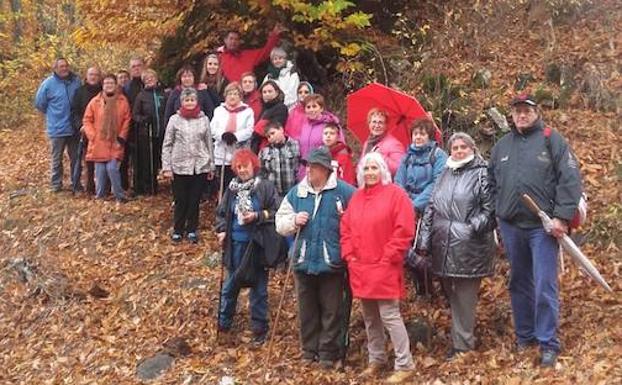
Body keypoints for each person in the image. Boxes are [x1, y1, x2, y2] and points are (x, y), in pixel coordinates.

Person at [488, 94, 582, 367]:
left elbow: (570, 179)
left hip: (543, 227)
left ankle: (548, 342)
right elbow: (491, 181)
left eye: (526, 111)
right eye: (517, 111)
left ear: (536, 112)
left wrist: (562, 218)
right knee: (519, 281)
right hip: (511, 226)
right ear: (512, 115)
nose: (521, 115)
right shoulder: (502, 146)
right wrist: (498, 211)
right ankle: (525, 335)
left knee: (544, 284)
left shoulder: (552, 140)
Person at [417, 132, 496, 359]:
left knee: (464, 298)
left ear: (472, 148)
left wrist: (470, 228)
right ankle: (460, 339)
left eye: (463, 147)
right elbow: (431, 208)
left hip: (470, 248)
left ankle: (463, 346)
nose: (459, 151)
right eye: (455, 147)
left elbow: (490, 210)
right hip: (443, 246)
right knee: (452, 296)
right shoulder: (445, 173)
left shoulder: (482, 173)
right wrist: (424, 240)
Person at [276, 147, 355, 369]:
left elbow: (359, 220)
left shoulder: (345, 192)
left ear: (325, 169)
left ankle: (329, 353)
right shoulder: (298, 192)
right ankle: (309, 350)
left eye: (313, 166)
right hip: (303, 261)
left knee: (332, 310)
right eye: (308, 166)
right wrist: (293, 221)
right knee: (307, 310)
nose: (309, 170)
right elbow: (280, 222)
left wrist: (346, 221)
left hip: (332, 262)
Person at [341, 153, 415, 384]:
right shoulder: (357, 197)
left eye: (374, 168)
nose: (370, 172)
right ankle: (377, 358)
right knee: (370, 316)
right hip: (361, 267)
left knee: (389, 315)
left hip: (385, 266)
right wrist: (350, 255)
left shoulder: (396, 195)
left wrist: (389, 256)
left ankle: (405, 363)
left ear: (382, 170)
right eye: (366, 168)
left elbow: (404, 229)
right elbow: (347, 229)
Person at [215, 148, 285, 346]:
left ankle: (259, 328)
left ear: (253, 165)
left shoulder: (265, 187)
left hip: (257, 244)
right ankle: (223, 323)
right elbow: (221, 214)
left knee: (258, 288)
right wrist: (221, 231)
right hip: (234, 243)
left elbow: (277, 210)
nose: (242, 170)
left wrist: (257, 216)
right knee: (230, 285)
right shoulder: (231, 189)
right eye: (238, 167)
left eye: (245, 166)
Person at [161, 87, 215, 243]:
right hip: (179, 165)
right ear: (182, 102)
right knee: (180, 199)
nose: (190, 103)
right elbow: (167, 144)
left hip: (200, 165)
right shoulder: (174, 119)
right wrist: (167, 167)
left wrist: (211, 165)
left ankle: (192, 228)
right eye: (187, 100)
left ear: (197, 101)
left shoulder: (203, 119)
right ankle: (178, 229)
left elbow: (208, 143)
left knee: (194, 199)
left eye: (192, 100)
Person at [34, 57, 82, 192]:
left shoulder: (76, 81)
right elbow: (39, 103)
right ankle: (56, 184)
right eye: (61, 66)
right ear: (55, 69)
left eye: (66, 65)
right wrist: (54, 114)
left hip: (74, 127)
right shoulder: (48, 84)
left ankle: (76, 184)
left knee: (76, 158)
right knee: (57, 158)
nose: (64, 68)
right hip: (57, 128)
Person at [82, 74, 131, 202]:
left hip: (115, 141)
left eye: (111, 83)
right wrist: (92, 135)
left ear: (115, 85)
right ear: (102, 86)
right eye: (106, 83)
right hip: (99, 142)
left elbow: (127, 120)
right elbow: (87, 120)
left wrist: (122, 137)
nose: (109, 85)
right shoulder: (95, 101)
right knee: (100, 171)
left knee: (112, 168)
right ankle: (100, 196)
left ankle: (119, 195)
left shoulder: (122, 101)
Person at [395, 117, 448, 214]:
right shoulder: (407, 156)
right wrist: (405, 202)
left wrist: (415, 205)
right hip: (406, 204)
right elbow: (399, 181)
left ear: (429, 136)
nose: (418, 137)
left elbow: (437, 184)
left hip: (430, 207)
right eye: (415, 134)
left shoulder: (439, 156)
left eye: (422, 134)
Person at [211, 82, 254, 194]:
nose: (232, 96)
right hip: (222, 153)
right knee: (223, 185)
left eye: (235, 94)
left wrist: (236, 136)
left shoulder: (247, 111)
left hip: (239, 151)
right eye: (230, 94)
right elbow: (213, 128)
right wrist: (223, 135)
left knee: (238, 184)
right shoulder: (219, 110)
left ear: (240, 96)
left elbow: (249, 130)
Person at [132, 69, 167, 195]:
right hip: (148, 133)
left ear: (156, 78)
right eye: (146, 78)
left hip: (163, 131)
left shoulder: (163, 93)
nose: (149, 80)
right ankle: (150, 187)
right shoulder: (141, 96)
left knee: (163, 158)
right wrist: (143, 120)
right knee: (149, 161)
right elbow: (135, 115)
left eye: (151, 77)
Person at [71, 66, 102, 195]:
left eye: (96, 74)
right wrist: (80, 126)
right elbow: (75, 111)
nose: (93, 77)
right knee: (88, 160)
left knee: (102, 159)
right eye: (91, 74)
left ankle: (103, 186)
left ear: (99, 77)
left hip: (102, 130)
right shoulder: (79, 92)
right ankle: (89, 186)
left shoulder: (104, 90)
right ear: (86, 76)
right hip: (86, 130)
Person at [218, 25, 284, 83]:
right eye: (231, 38)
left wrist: (275, 35)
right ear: (225, 40)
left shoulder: (247, 55)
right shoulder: (219, 57)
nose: (233, 41)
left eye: (236, 39)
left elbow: (265, 52)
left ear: (239, 42)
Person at [297, 94, 341, 180]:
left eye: (314, 106)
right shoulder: (304, 125)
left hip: (322, 170)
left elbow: (338, 147)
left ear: (321, 108)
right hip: (304, 171)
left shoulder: (330, 125)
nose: (311, 109)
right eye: (308, 107)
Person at [359, 108, 405, 177]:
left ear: (386, 125)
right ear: (369, 123)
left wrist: (381, 157)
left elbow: (400, 169)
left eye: (380, 122)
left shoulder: (394, 144)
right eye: (374, 122)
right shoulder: (368, 143)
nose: (377, 126)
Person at [259, 121, 300, 197]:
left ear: (281, 129)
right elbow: (261, 173)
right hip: (274, 194)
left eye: (273, 133)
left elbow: (301, 167)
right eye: (268, 136)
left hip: (293, 191)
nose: (271, 137)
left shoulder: (296, 145)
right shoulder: (264, 151)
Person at [251, 80, 288, 153]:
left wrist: (257, 130)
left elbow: (275, 127)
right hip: (259, 147)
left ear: (276, 92)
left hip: (272, 147)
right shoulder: (264, 108)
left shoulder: (281, 107)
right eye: (264, 92)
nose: (267, 94)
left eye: (270, 91)